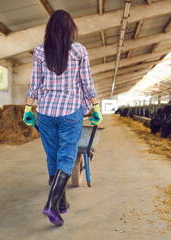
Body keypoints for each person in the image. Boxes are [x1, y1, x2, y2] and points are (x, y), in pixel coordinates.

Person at [22, 9, 103, 226]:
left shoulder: (40, 51)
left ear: (50, 29)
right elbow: (87, 83)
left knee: (53, 156)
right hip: (70, 111)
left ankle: (62, 204)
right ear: (71, 29)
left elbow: (35, 84)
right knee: (66, 157)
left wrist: (28, 109)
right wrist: (95, 107)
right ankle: (51, 204)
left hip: (45, 112)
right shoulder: (78, 51)